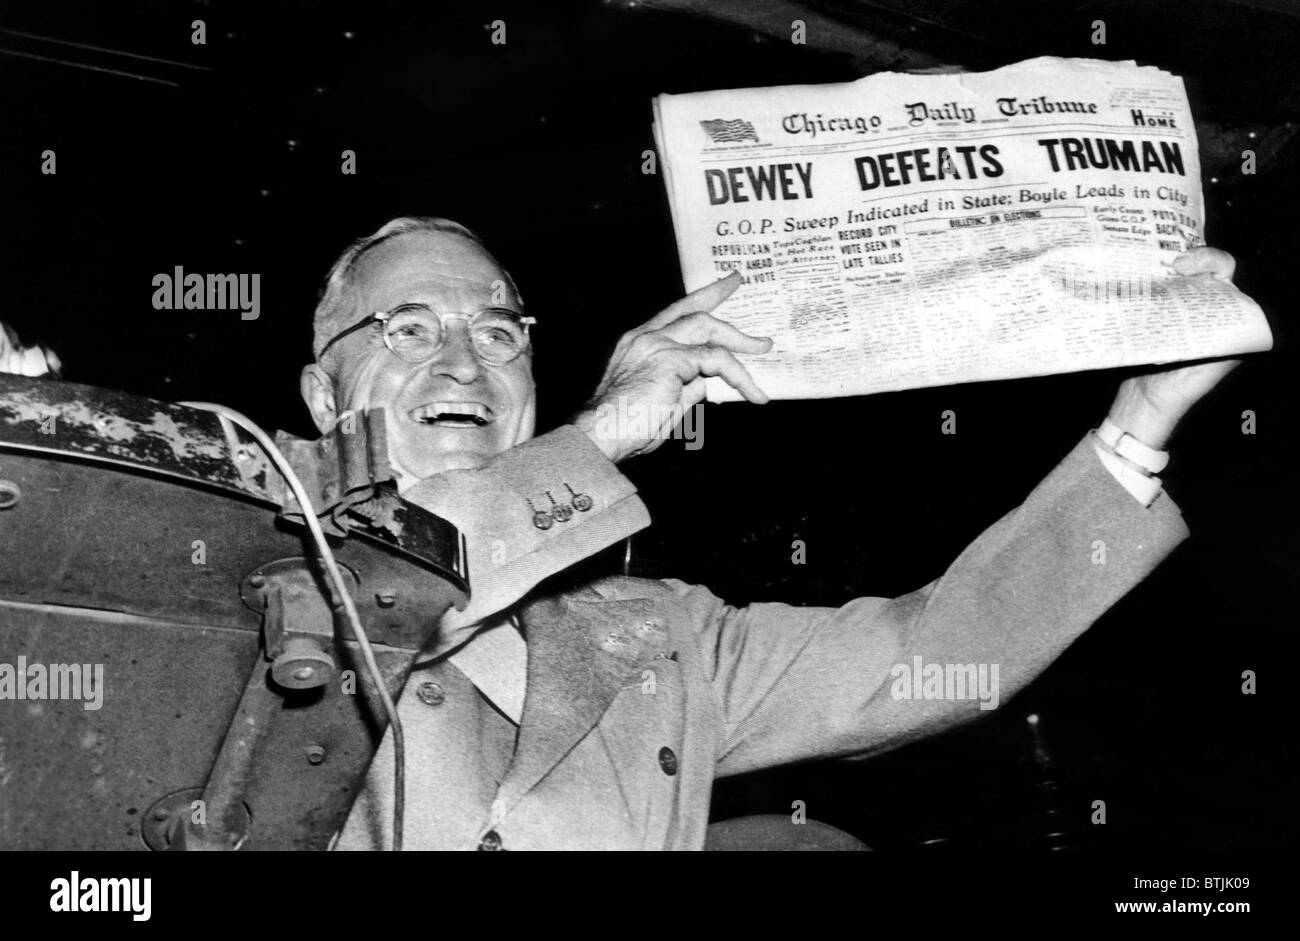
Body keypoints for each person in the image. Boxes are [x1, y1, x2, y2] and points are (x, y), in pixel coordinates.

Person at [2, 215, 1250, 850]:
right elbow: (396, 583)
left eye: (498, 330)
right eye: (406, 328)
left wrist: (1134, 427)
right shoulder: (221, 557)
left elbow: (938, 645)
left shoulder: (661, 637)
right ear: (324, 393)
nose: (463, 356)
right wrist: (602, 439)